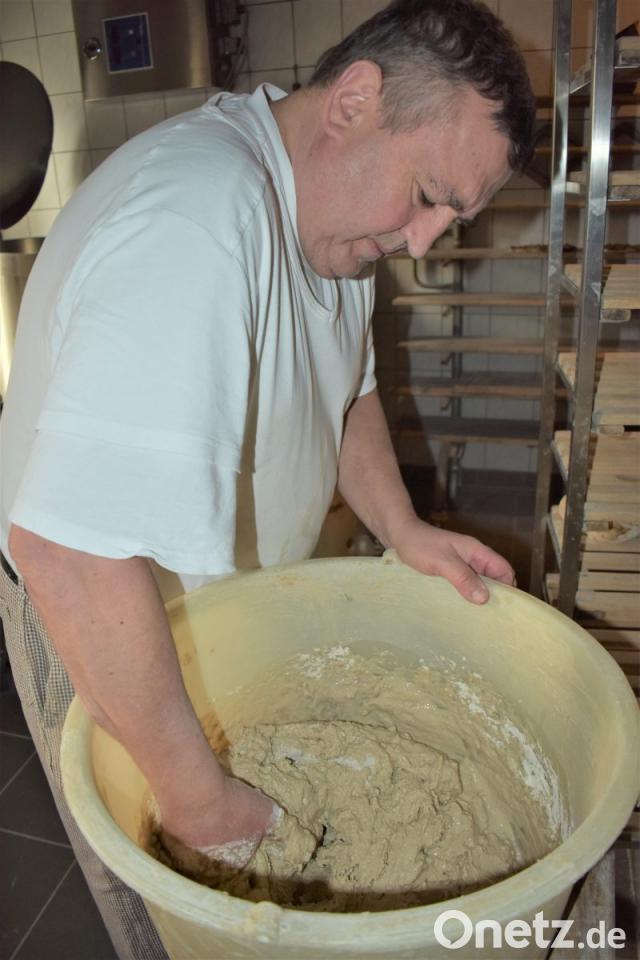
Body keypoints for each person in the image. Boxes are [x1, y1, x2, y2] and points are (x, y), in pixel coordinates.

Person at [0, 0, 535, 955]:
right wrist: (202, 804)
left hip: (219, 609)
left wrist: (402, 529)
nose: (423, 243)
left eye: (450, 218)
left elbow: (348, 395)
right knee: (169, 913)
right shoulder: (199, 220)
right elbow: (69, 558)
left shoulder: (337, 230)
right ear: (354, 102)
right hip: (111, 631)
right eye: (426, 195)